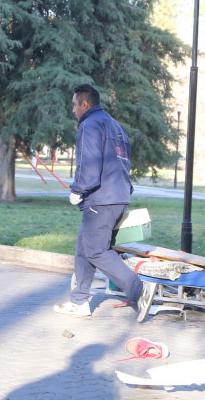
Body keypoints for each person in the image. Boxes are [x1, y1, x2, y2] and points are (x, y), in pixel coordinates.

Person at [54, 84, 149, 316]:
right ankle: (79, 301)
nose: (73, 110)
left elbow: (90, 162)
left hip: (100, 198)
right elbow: (123, 163)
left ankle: (139, 290)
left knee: (95, 251)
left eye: (75, 105)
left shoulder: (90, 124)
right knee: (83, 248)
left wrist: (78, 189)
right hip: (118, 196)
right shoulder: (116, 126)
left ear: (85, 104)